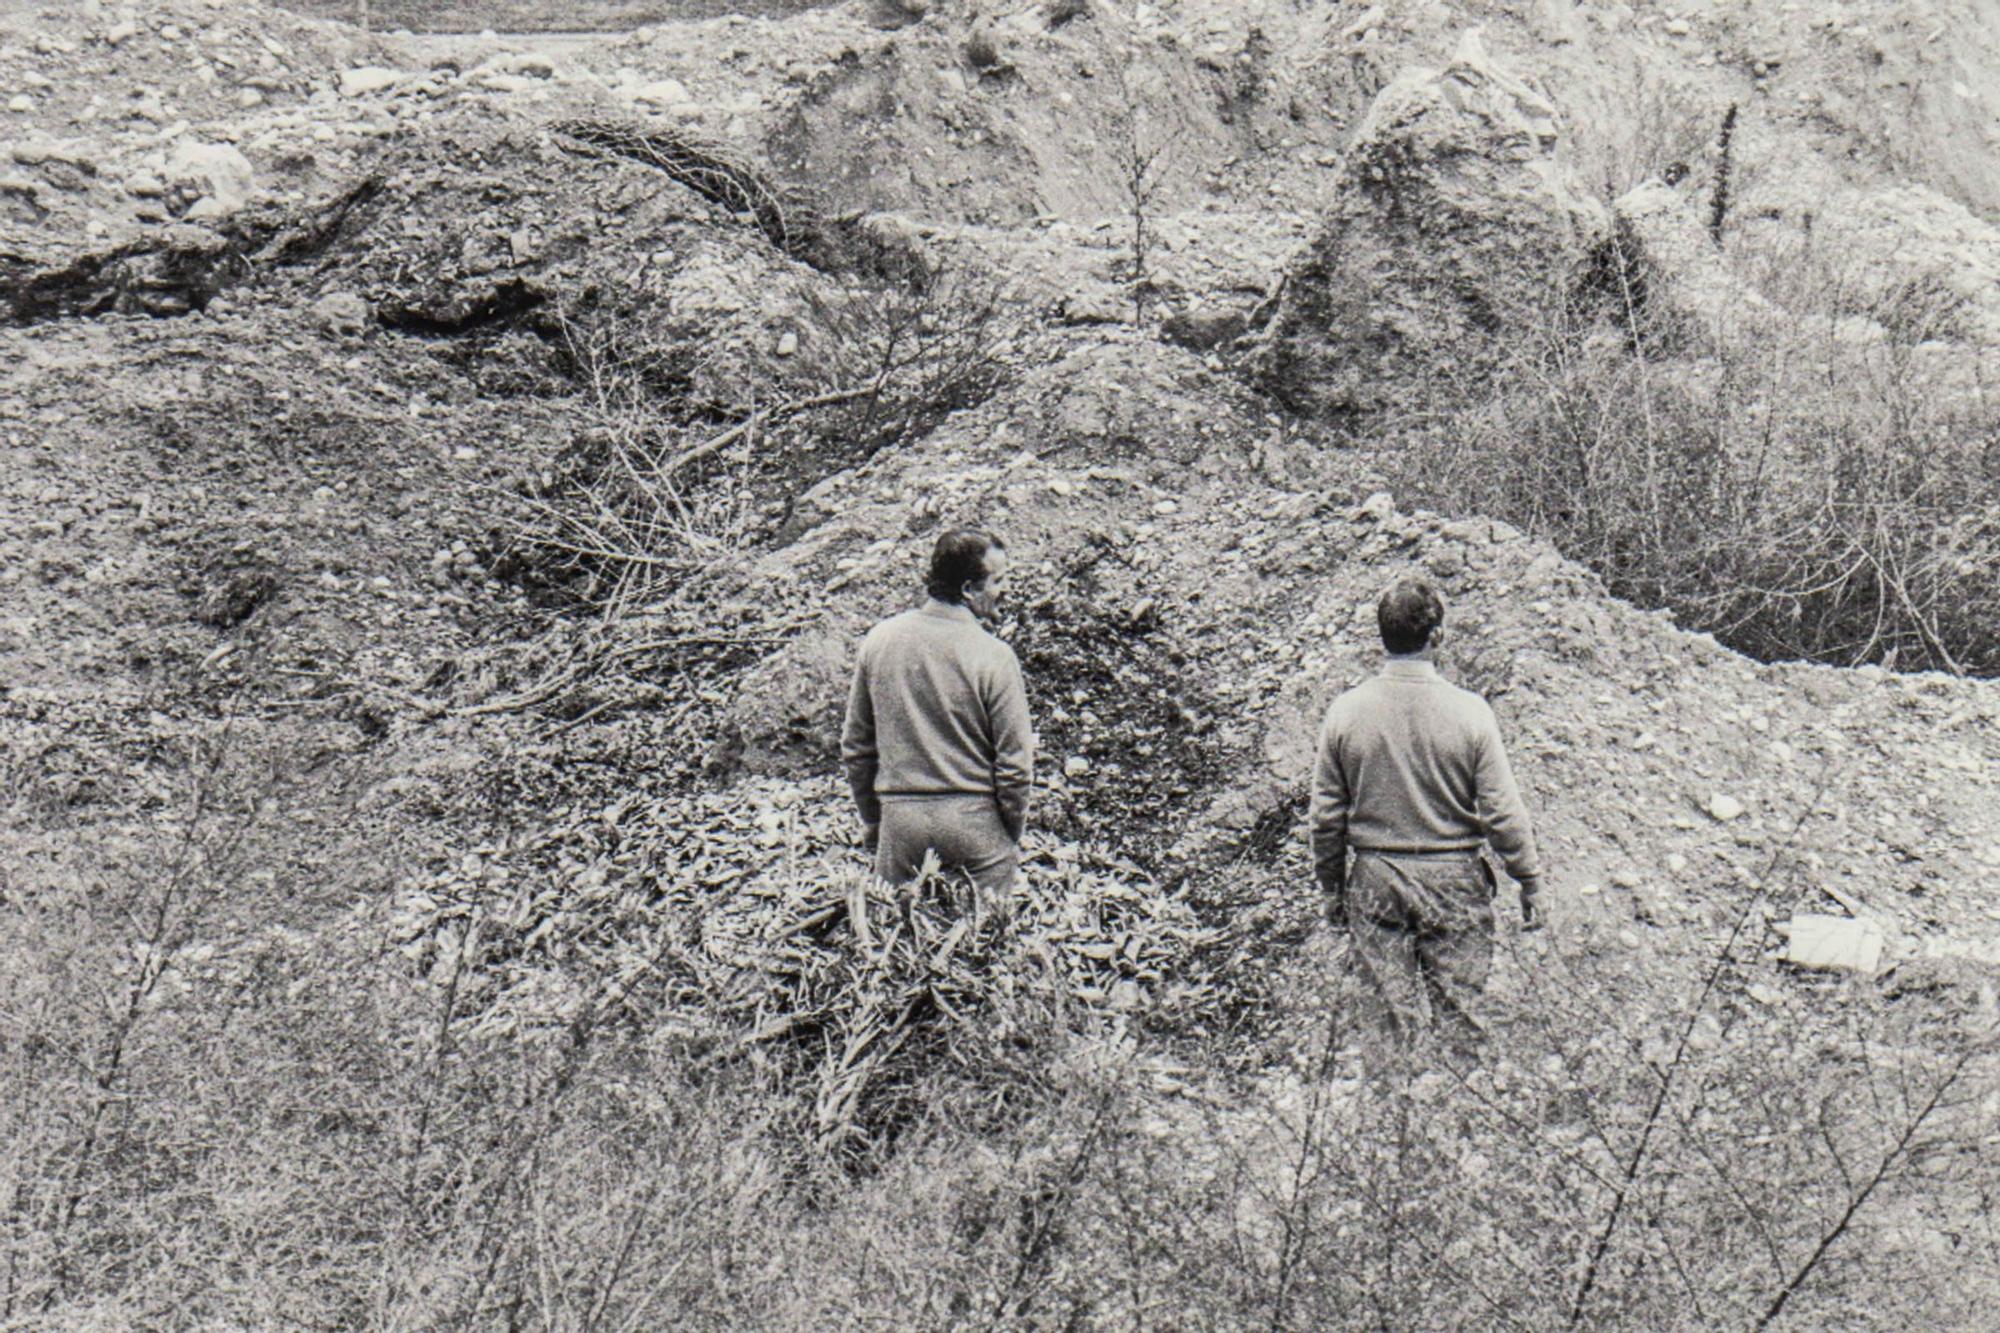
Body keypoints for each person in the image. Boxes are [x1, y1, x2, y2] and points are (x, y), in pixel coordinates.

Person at [1309, 577, 1544, 1045]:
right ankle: (1455, 1114)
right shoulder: (1471, 712)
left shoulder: (1346, 712)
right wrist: (1529, 878)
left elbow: (1325, 818)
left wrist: (1332, 888)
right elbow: (1501, 811)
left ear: (1383, 635)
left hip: (1375, 879)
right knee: (1463, 1023)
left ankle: (1389, 1113)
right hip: (1454, 880)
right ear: (1437, 635)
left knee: (1385, 1032)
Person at [841, 528, 1033, 922]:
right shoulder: (994, 656)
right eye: (998, 581)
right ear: (968, 588)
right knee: (987, 951)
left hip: (901, 823)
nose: (1007, 590)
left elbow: (856, 748)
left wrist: (877, 823)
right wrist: (1008, 834)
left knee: (899, 955)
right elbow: (1016, 768)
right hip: (973, 822)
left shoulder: (880, 640)